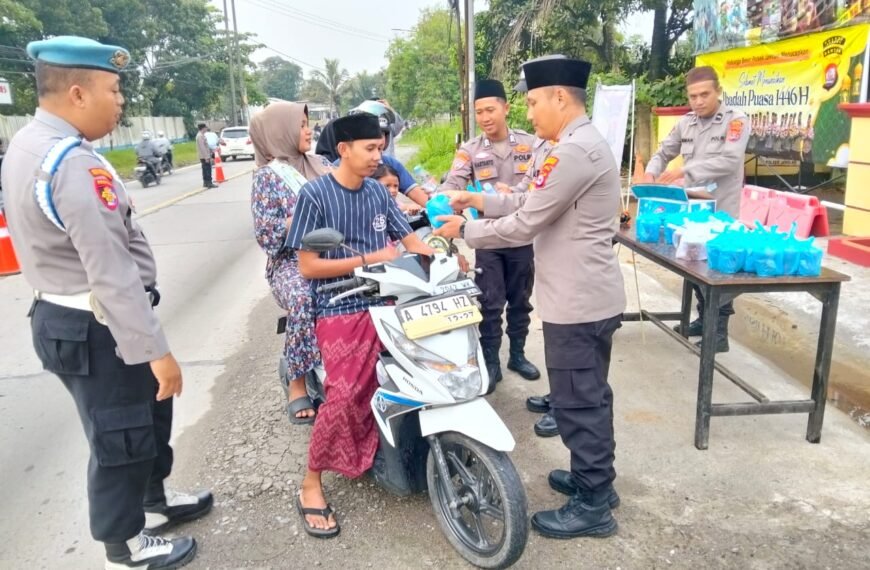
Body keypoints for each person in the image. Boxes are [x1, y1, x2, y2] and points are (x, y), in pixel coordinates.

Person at [1, 35, 211, 569]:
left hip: (82, 317)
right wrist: (153, 348)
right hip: (98, 322)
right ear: (77, 92)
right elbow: (111, 270)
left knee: (146, 416)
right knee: (121, 433)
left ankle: (153, 502)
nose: (121, 102)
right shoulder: (70, 162)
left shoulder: (30, 143)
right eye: (114, 90)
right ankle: (127, 544)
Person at [434, 57, 625, 539]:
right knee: (588, 395)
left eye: (535, 101)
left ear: (561, 97)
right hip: (584, 296)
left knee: (578, 402)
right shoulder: (570, 145)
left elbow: (526, 222)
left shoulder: (574, 151)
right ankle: (593, 479)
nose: (531, 111)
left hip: (579, 301)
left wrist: (467, 229)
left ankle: (594, 503)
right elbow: (526, 200)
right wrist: (477, 199)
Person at [286, 113, 434, 538]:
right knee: (346, 393)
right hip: (338, 303)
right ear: (344, 149)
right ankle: (311, 482)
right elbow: (309, 266)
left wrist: (440, 253)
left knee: (426, 370)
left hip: (390, 298)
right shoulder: (315, 195)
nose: (378, 155)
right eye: (369, 148)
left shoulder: (377, 192)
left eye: (380, 147)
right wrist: (369, 259)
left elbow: (409, 241)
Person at [437, 78, 540, 387]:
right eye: (479, 111)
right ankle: (491, 359)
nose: (484, 117)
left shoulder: (530, 144)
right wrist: (440, 199)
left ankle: (518, 355)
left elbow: (539, 183)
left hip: (522, 236)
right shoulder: (469, 150)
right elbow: (453, 183)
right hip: (488, 239)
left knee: (521, 300)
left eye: (490, 110)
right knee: (491, 302)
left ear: (506, 108)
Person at [643, 66, 750, 353]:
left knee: (718, 269)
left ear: (718, 92)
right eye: (693, 96)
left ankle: (719, 334)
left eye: (704, 94)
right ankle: (703, 321)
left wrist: (684, 171)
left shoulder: (736, 121)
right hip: (692, 211)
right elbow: (664, 151)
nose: (698, 101)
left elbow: (729, 161)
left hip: (721, 211)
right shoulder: (686, 123)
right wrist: (651, 174)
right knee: (694, 265)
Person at [250, 102, 332, 425]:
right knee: (303, 297)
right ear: (281, 132)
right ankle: (296, 382)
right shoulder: (268, 178)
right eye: (301, 125)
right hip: (290, 262)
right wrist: (300, 221)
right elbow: (266, 236)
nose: (309, 130)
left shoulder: (322, 164)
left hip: (333, 253)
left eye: (308, 124)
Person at [321, 117, 429, 209]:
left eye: (382, 134)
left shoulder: (379, 187)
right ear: (344, 149)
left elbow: (418, 198)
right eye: (369, 148)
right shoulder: (323, 186)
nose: (377, 157)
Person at [196, 122, 217, 188]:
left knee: (206, 169)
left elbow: (206, 146)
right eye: (205, 128)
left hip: (204, 155)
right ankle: (209, 183)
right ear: (203, 128)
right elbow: (203, 147)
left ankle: (206, 182)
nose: (206, 129)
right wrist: (207, 157)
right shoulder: (200, 136)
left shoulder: (202, 135)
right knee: (207, 170)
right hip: (204, 156)